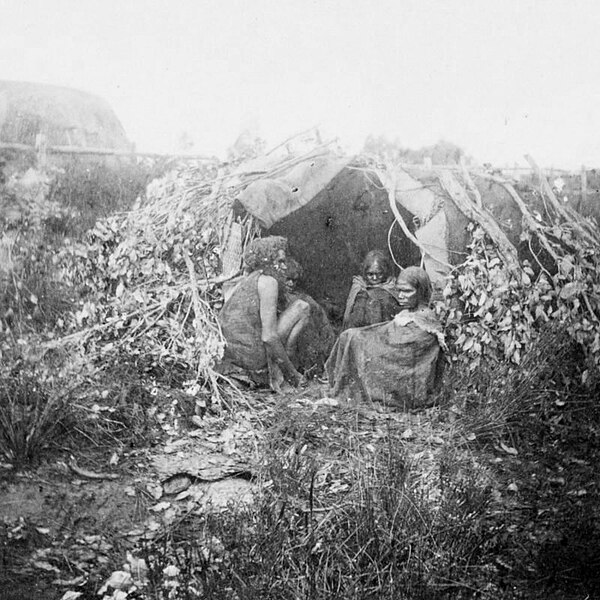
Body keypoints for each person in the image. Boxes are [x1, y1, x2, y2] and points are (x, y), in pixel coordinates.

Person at [325, 267, 445, 409]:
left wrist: (369, 345)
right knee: (349, 336)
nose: (400, 295)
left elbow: (405, 352)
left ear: (421, 291)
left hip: (404, 375)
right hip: (391, 356)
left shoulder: (426, 318)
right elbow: (387, 332)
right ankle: (338, 384)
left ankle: (350, 389)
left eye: (407, 291)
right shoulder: (409, 311)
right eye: (399, 290)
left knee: (355, 341)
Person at [218, 236, 310, 392]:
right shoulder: (268, 282)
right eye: (279, 262)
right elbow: (268, 337)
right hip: (250, 357)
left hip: (233, 353)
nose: (284, 267)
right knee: (302, 307)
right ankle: (288, 370)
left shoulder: (251, 278)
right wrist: (293, 375)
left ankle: (285, 363)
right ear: (267, 262)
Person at [284, 258, 336, 375]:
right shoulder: (279, 298)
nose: (291, 284)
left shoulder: (305, 298)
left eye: (294, 280)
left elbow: (322, 320)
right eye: (287, 279)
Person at [342, 250, 401, 330]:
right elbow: (349, 314)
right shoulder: (359, 285)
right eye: (370, 274)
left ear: (385, 272)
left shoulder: (391, 285)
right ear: (365, 272)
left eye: (379, 274)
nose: (374, 278)